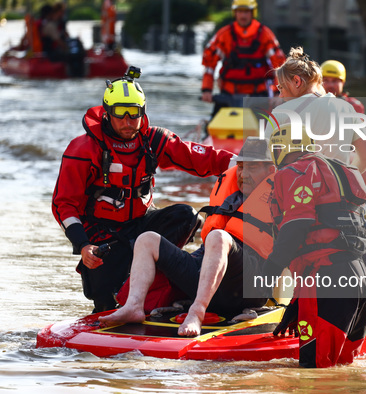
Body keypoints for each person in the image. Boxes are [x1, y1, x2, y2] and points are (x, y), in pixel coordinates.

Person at [52, 66, 234, 313]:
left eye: (134, 114)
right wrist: (84, 246)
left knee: (186, 215)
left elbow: (197, 157)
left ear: (143, 111)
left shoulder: (153, 140)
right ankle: (119, 293)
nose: (128, 122)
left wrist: (244, 162)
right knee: (104, 296)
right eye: (120, 114)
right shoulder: (83, 150)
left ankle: (157, 282)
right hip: (103, 235)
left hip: (142, 224)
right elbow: (64, 205)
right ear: (107, 113)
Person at [98, 138, 276, 336]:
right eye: (241, 167)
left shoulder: (284, 198)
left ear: (271, 171)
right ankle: (133, 307)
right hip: (208, 274)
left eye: (252, 167)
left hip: (248, 286)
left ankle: (197, 313)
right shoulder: (230, 191)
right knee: (147, 239)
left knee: (218, 237)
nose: (243, 174)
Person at [265, 47, 366, 308]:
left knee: (290, 263)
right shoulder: (342, 107)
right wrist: (345, 182)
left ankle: (278, 313)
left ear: (297, 82)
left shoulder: (278, 115)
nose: (279, 92)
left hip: (296, 207)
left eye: (281, 86)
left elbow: (274, 166)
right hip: (339, 209)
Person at [267, 124, 366, 368]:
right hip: (358, 277)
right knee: (344, 370)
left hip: (325, 278)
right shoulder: (334, 170)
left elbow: (296, 227)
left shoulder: (293, 172)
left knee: (314, 373)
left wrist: (267, 273)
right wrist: (295, 304)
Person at [200, 0, 286, 116]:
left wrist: (278, 92)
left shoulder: (264, 34)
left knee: (266, 127)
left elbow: (279, 65)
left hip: (258, 93)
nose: (243, 15)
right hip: (229, 93)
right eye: (240, 11)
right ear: (235, 13)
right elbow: (210, 62)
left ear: (252, 13)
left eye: (246, 12)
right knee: (213, 127)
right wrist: (207, 90)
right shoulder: (225, 34)